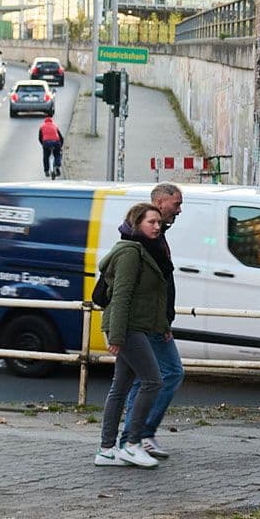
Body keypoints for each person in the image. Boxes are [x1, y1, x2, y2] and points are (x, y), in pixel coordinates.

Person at [96, 202, 171, 469]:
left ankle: (106, 450)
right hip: (126, 328)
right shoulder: (130, 252)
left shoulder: (141, 250)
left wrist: (162, 326)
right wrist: (116, 337)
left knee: (120, 387)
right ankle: (132, 444)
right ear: (136, 222)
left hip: (135, 326)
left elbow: (150, 297)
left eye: (159, 223)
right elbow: (121, 296)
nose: (157, 226)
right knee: (153, 382)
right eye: (151, 222)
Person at [120, 183, 184, 459]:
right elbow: (146, 288)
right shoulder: (141, 243)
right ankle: (139, 435)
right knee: (169, 373)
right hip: (148, 321)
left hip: (151, 320)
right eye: (176, 204)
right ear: (159, 202)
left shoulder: (155, 236)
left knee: (140, 380)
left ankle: (129, 438)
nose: (179, 210)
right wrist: (162, 322)